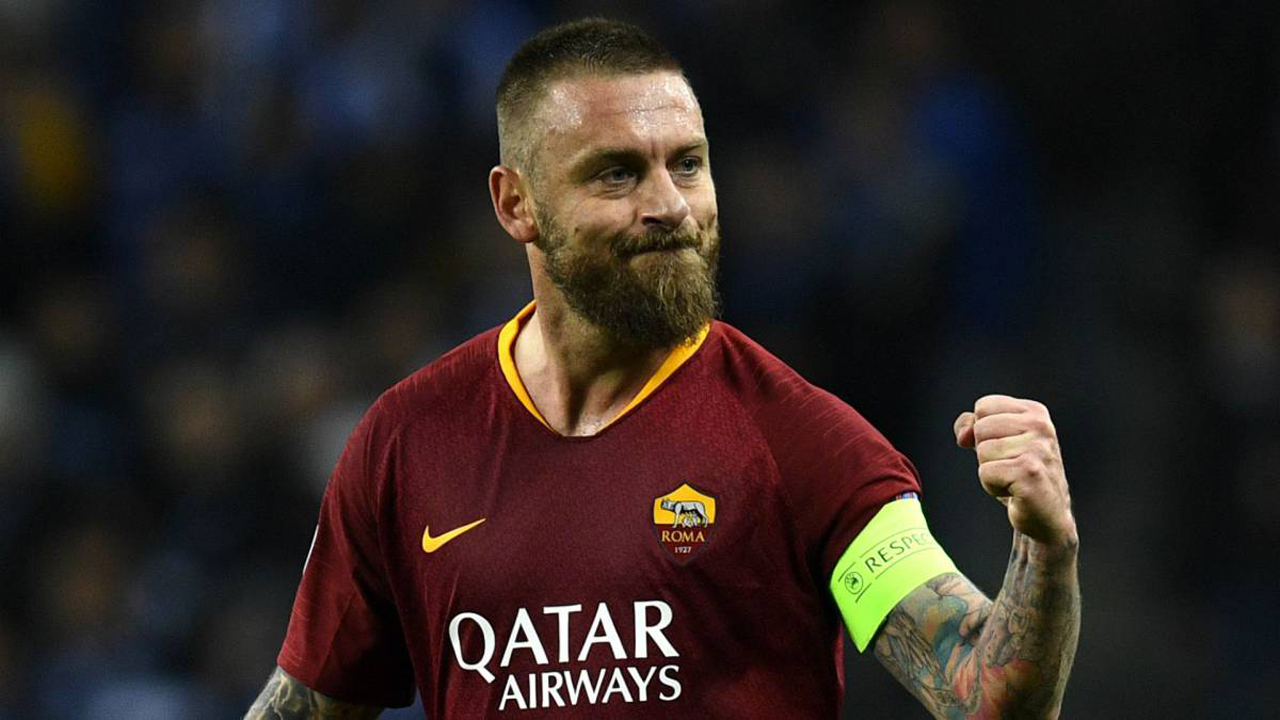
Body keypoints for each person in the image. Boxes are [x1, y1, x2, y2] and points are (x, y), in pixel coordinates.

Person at [246, 17, 1079, 719]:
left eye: (687, 163)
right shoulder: (407, 443)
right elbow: (307, 701)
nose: (671, 205)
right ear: (515, 204)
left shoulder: (804, 444)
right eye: (617, 173)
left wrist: (1045, 549)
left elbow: (984, 694)